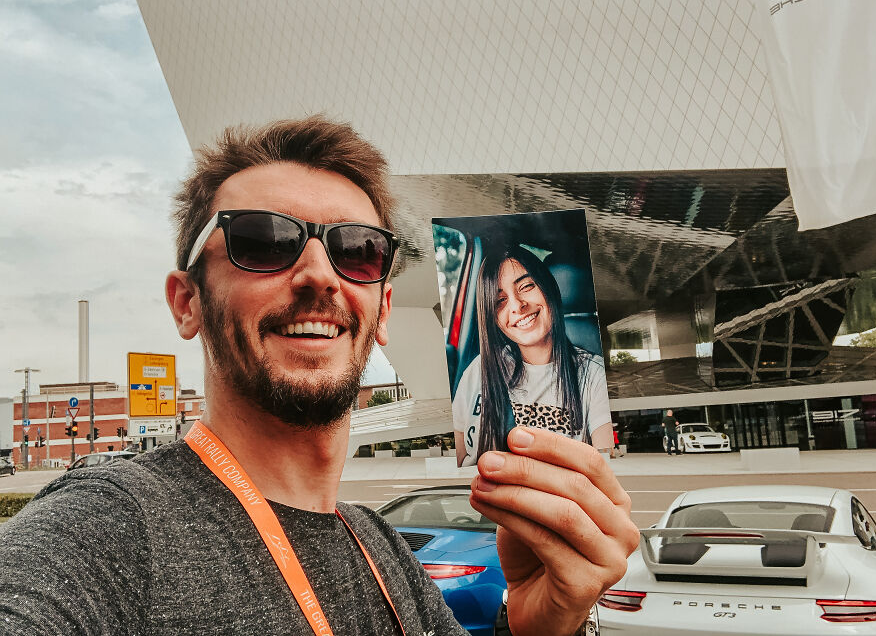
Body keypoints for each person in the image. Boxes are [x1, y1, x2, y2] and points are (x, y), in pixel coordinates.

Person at [0, 118, 638, 635]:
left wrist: (536, 625)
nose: (319, 276)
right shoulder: (107, 532)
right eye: (264, 241)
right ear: (186, 302)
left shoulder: (384, 553)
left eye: (358, 251)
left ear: (383, 310)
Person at [453, 245, 613, 467]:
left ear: (548, 288)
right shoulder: (478, 370)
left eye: (526, 286)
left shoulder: (592, 375)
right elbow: (460, 459)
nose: (518, 305)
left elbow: (605, 467)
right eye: (500, 301)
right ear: (492, 318)